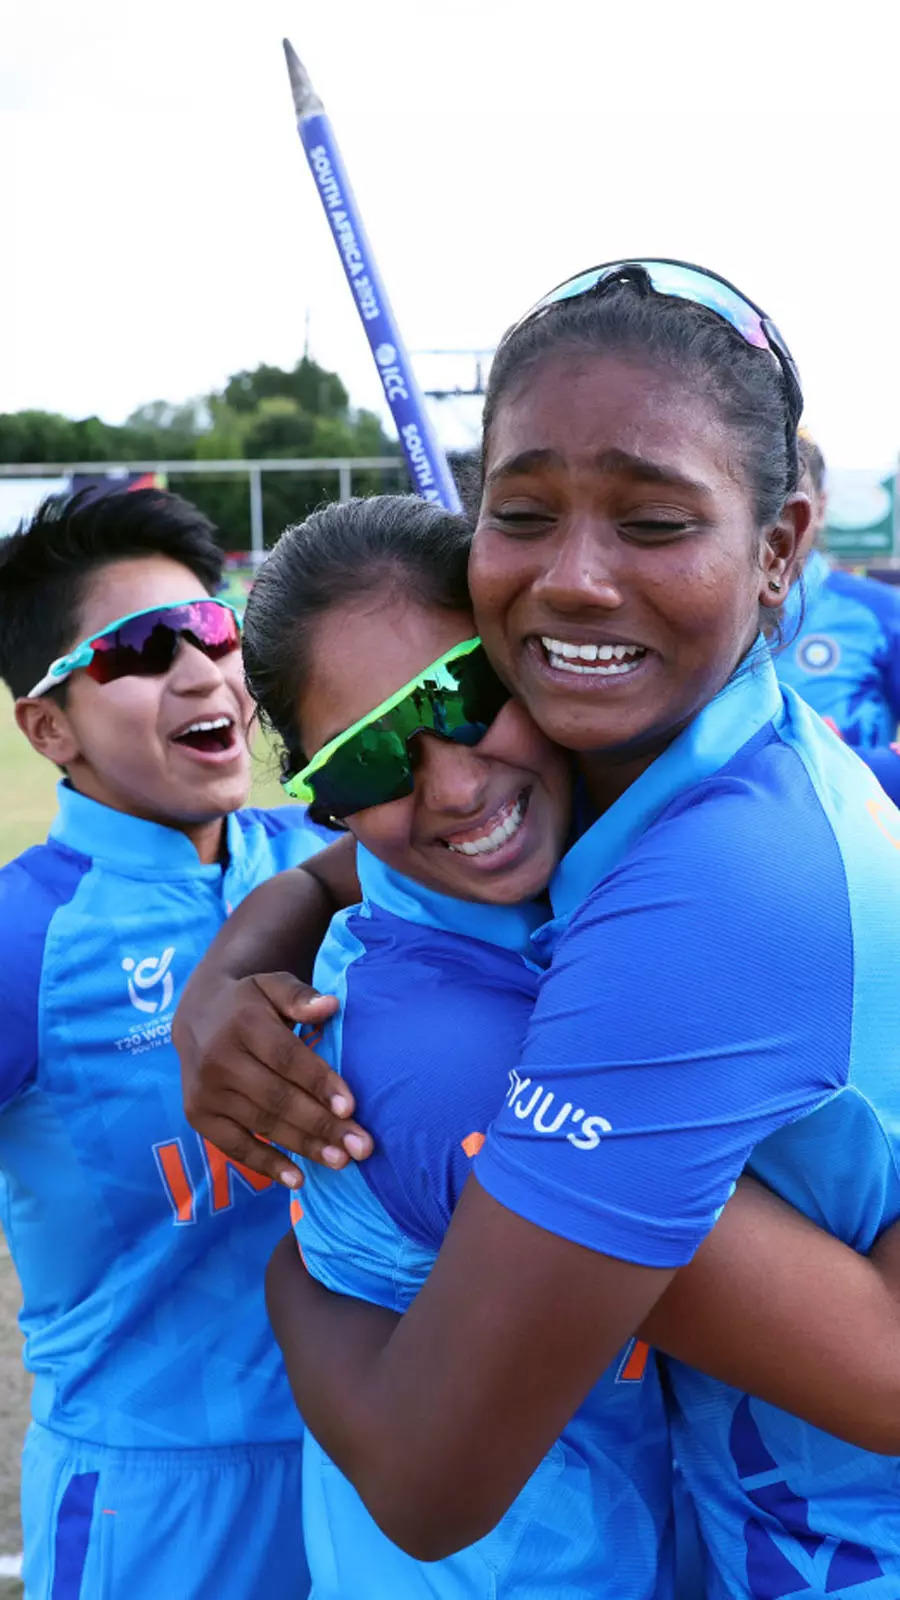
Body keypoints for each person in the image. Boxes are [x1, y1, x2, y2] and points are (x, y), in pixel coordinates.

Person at [177, 262, 900, 1597]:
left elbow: (429, 1469)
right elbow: (416, 843)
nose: (573, 580)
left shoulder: (700, 892)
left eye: (654, 518)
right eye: (523, 513)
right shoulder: (681, 762)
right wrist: (249, 944)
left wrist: (288, 1273)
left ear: (784, 544)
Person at [0, 487, 330, 1599]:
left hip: (386, 1461)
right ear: (48, 727)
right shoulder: (22, 940)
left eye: (214, 628)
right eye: (141, 648)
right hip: (160, 1507)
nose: (203, 673)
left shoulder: (329, 858)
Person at [776, 431, 900, 747]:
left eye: (791, 497)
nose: (774, 519)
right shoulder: (694, 609)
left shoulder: (882, 613)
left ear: (819, 507)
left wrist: (836, 766)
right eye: (762, 498)